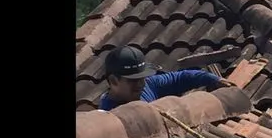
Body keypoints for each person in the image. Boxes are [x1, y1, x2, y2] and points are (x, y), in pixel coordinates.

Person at [98, 44, 232, 111]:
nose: (140, 84)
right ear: (113, 81)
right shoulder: (108, 116)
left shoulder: (149, 85)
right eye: (133, 80)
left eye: (142, 78)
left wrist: (214, 79)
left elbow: (182, 77)